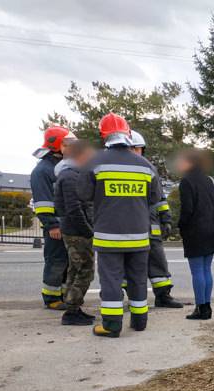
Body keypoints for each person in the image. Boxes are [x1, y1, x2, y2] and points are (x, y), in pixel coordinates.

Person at [77, 113, 162, 338]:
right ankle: (140, 321)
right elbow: (155, 198)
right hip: (139, 235)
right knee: (138, 279)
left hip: (108, 236)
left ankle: (112, 325)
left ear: (103, 135)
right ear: (128, 134)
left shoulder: (94, 163)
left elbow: (83, 194)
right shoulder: (146, 165)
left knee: (111, 280)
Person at [128, 130, 183, 308]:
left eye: (137, 149)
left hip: (151, 224)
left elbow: (160, 198)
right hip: (130, 226)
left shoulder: (148, 168)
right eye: (132, 148)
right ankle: (131, 299)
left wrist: (166, 219)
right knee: (128, 264)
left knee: (158, 261)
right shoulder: (120, 168)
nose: (135, 152)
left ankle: (163, 296)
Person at [54, 137, 96, 326]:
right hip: (77, 232)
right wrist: (88, 231)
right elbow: (74, 209)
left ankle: (73, 308)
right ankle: (71, 311)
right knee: (85, 270)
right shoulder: (71, 176)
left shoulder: (70, 174)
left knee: (75, 269)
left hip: (74, 230)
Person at [176, 149, 214, 320]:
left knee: (197, 271)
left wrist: (180, 226)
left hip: (195, 231)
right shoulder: (210, 180)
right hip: (212, 230)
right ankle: (207, 307)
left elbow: (187, 210)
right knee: (206, 269)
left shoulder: (186, 181)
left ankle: (200, 308)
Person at [31, 125, 72, 309]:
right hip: (56, 227)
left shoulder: (60, 166)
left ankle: (63, 295)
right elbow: (42, 203)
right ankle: (52, 299)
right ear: (58, 146)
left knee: (67, 262)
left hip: (67, 225)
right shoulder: (43, 171)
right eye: (67, 144)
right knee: (56, 261)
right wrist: (52, 225)